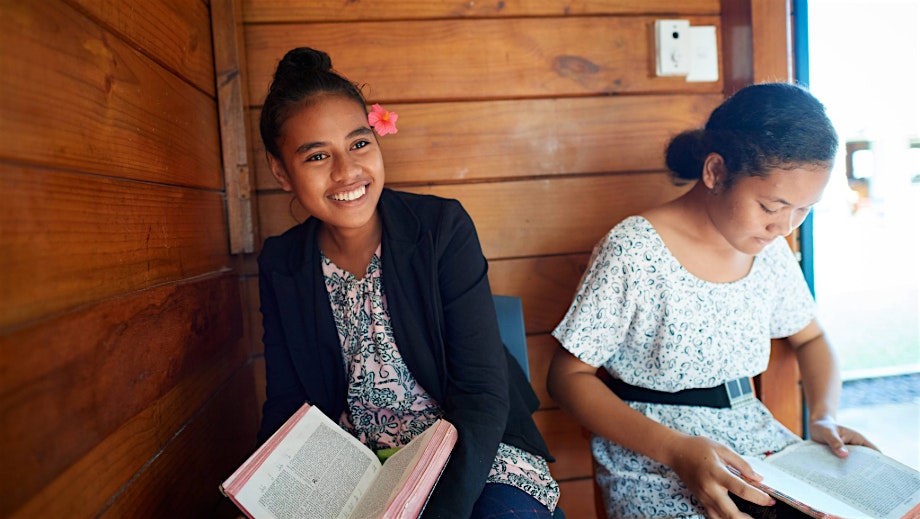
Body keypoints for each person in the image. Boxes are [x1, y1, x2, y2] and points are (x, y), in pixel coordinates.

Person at [546, 83, 875, 519]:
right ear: (716, 172)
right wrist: (676, 450)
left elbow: (812, 339)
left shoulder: (768, 250)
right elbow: (568, 377)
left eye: (804, 209)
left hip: (758, 449)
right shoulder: (634, 249)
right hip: (654, 460)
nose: (785, 227)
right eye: (771, 206)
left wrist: (823, 417)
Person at [256, 47, 560, 518]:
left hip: (474, 457)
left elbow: (481, 394)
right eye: (317, 155)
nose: (346, 171)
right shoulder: (283, 264)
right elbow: (287, 406)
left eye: (359, 144)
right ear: (281, 171)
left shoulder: (441, 230)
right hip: (357, 475)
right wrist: (264, 494)